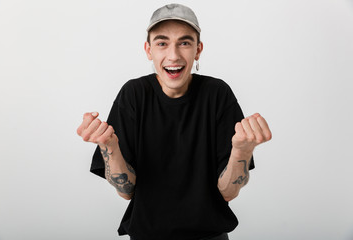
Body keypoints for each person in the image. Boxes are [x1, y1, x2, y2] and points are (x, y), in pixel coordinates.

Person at [76, 3, 272, 240]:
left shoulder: (217, 94)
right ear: (149, 50)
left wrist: (242, 149)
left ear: (198, 50)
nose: (174, 55)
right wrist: (109, 146)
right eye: (162, 43)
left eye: (185, 43)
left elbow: (228, 192)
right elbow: (126, 191)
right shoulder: (134, 94)